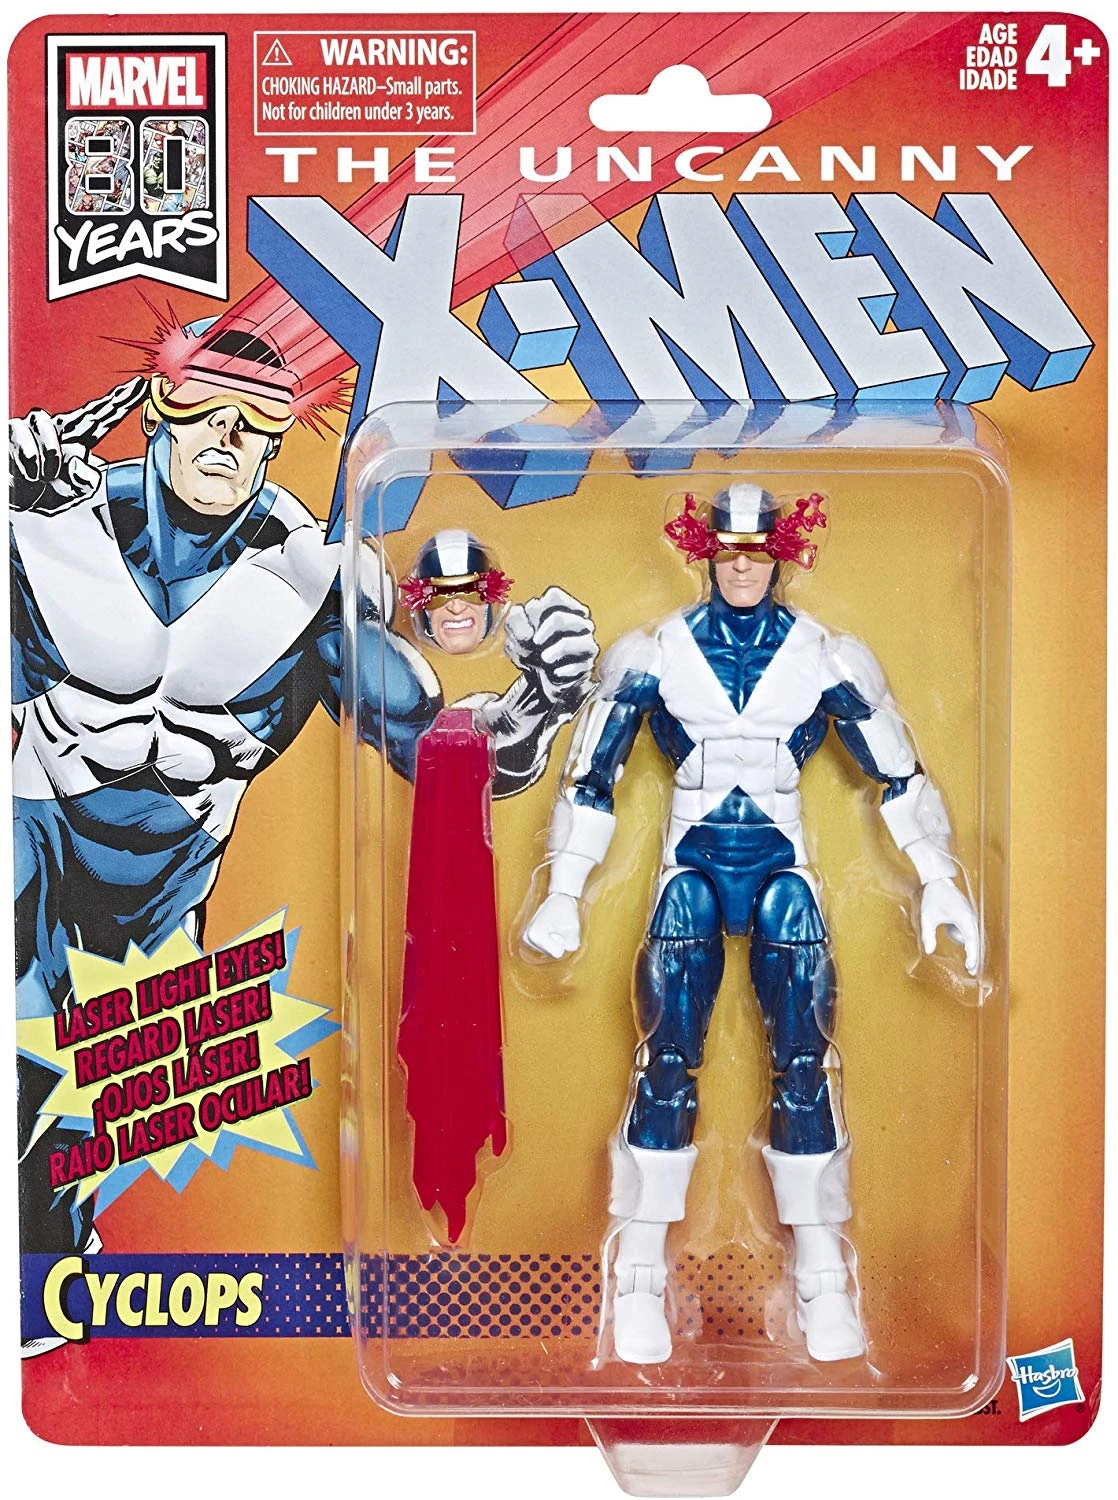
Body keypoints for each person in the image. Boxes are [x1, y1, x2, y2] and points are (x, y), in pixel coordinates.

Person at [9, 319, 598, 1290]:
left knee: (95, 1105)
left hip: (166, 884)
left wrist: (541, 700)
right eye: (205, 406)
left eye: (255, 419)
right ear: (156, 409)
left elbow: (445, 755)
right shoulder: (53, 516)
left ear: (281, 436)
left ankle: (50, 1265)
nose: (226, 434)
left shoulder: (310, 586)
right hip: (39, 825)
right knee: (24, 1030)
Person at [524, 482, 980, 1366]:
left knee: (805, 1064)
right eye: (728, 551)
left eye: (756, 552)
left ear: (782, 553)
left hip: (783, 871)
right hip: (690, 870)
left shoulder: (825, 656)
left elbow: (896, 771)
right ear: (704, 551)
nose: (741, 567)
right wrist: (563, 892)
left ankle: (822, 1280)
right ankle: (639, 1279)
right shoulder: (652, 653)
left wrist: (938, 880)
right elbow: (590, 777)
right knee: (665, 1062)